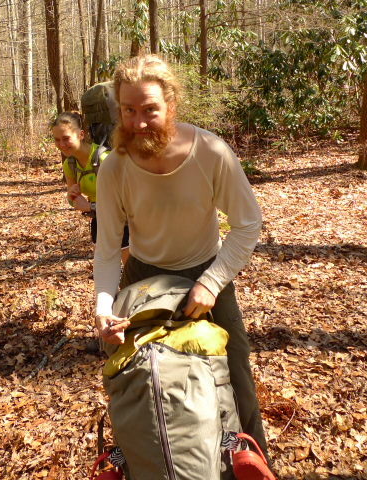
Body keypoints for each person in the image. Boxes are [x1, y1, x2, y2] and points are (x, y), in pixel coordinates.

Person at [93, 55, 269, 459]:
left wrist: (211, 282)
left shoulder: (210, 151)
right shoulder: (114, 167)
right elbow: (105, 251)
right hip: (142, 280)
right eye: (128, 110)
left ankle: (252, 461)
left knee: (236, 372)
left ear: (171, 105)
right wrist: (104, 306)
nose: (138, 123)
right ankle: (147, 463)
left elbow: (247, 223)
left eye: (150, 110)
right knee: (137, 379)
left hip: (206, 273)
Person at [51, 112, 129, 264]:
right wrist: (73, 196)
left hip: (124, 223)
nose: (61, 144)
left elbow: (125, 203)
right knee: (105, 271)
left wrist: (89, 206)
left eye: (66, 138)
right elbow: (71, 199)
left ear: (81, 135)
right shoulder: (70, 164)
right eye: (57, 140)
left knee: (131, 273)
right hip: (99, 221)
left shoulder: (104, 159)